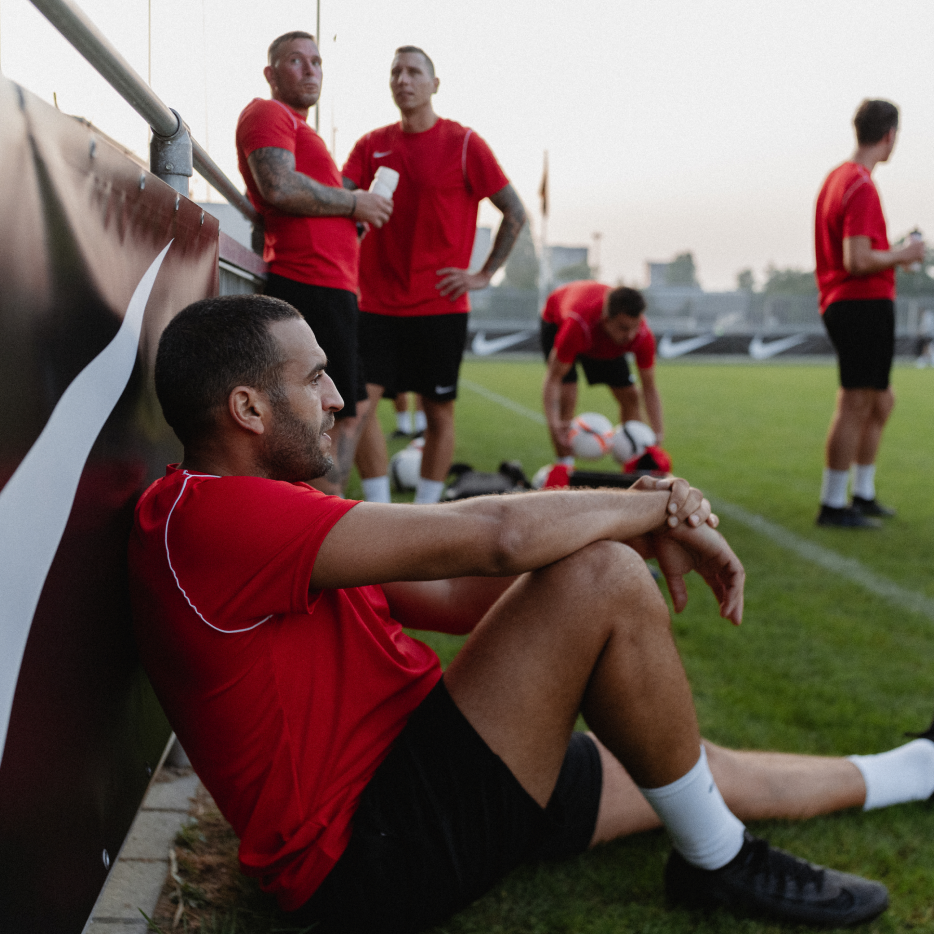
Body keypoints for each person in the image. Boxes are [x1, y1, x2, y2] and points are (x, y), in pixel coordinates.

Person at [130, 293, 934, 933]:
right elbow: (500, 537)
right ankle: (718, 864)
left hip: (428, 765)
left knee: (687, 765)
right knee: (605, 577)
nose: (338, 399)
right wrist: (649, 508)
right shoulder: (208, 519)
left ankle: (916, 768)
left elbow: (458, 597)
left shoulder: (268, 509)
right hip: (367, 852)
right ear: (248, 409)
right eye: (314, 379)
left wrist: (630, 530)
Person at [341, 46, 526, 505]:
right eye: (395, 72)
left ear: (434, 84)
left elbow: (514, 211)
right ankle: (380, 510)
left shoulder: (464, 144)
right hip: (376, 302)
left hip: (440, 304)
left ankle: (426, 514)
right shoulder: (370, 145)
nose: (403, 80)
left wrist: (484, 274)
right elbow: (337, 199)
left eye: (414, 72)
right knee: (359, 410)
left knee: (438, 414)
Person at [235, 30, 393, 496]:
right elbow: (278, 186)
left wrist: (352, 217)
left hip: (332, 287)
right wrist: (354, 203)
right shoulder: (268, 112)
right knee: (322, 416)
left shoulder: (302, 129)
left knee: (344, 413)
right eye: (296, 61)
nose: (310, 70)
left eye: (317, 62)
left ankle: (327, 509)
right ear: (271, 74)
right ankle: (324, 518)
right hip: (309, 283)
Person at [814, 98, 926, 528]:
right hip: (860, 303)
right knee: (856, 402)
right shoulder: (860, 184)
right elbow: (857, 259)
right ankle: (833, 504)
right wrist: (904, 254)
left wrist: (892, 254)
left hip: (848, 302)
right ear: (890, 135)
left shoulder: (837, 179)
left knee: (881, 401)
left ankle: (861, 494)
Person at [541, 280, 663, 460]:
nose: (630, 335)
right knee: (567, 396)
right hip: (557, 320)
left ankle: (635, 461)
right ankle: (564, 465)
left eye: (635, 326)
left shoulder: (641, 335)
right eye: (624, 328)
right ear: (606, 320)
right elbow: (553, 379)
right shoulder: (577, 325)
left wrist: (657, 434)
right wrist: (554, 424)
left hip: (604, 340)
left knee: (630, 396)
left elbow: (649, 388)